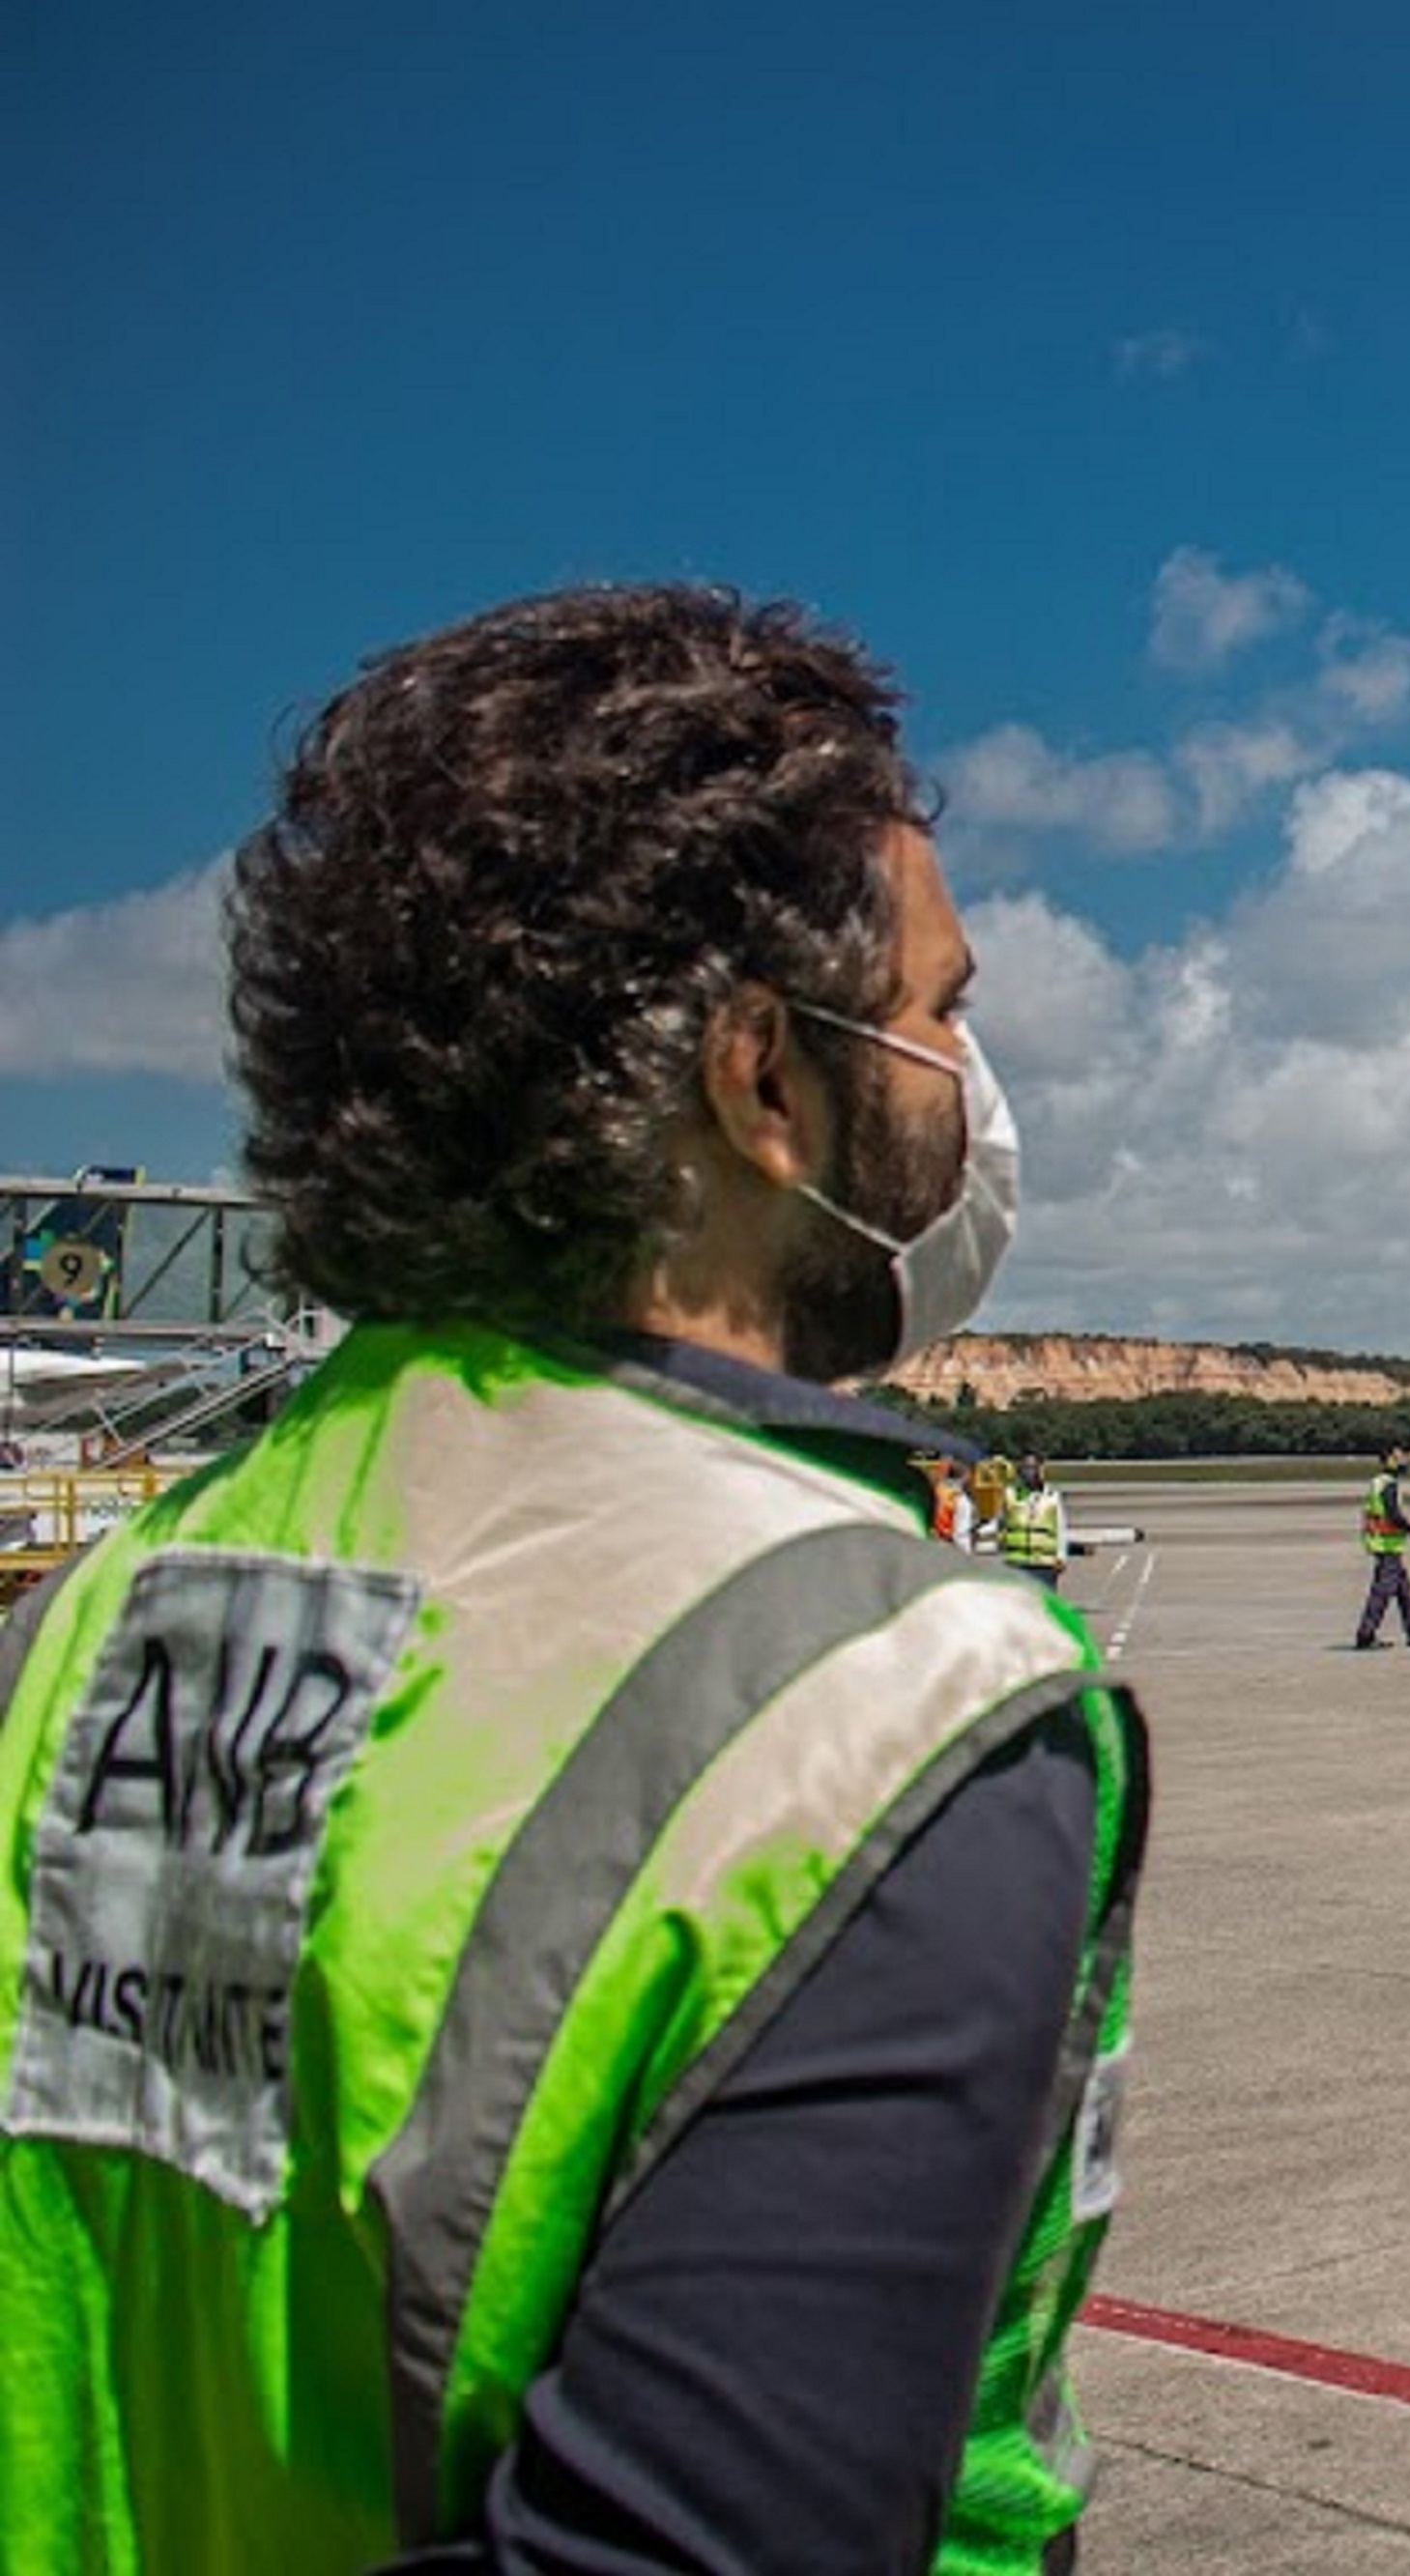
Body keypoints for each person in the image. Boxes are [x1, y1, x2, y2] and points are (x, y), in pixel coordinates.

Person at [0, 584, 1145, 2573]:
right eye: (943, 1008)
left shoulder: (87, 1622)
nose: (966, 1075)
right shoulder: (883, 1692)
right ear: (758, 1078)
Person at [1355, 1441, 1410, 1647]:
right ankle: (1366, 1634)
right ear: (1390, 1459)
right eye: (1401, 1457)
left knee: (1404, 1592)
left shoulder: (1378, 1482)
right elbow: (1393, 1515)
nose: (1405, 1461)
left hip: (1385, 1545)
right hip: (1386, 1546)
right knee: (1382, 1592)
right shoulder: (1388, 1484)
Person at [998, 1453, 1070, 1591]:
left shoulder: (1052, 1497)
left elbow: (1061, 1528)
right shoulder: (1010, 1494)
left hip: (1044, 1563)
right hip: (1016, 1562)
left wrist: (1061, 1556)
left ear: (1040, 1470)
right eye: (1025, 1468)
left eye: (1032, 1468)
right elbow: (1001, 1523)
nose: (1029, 1472)